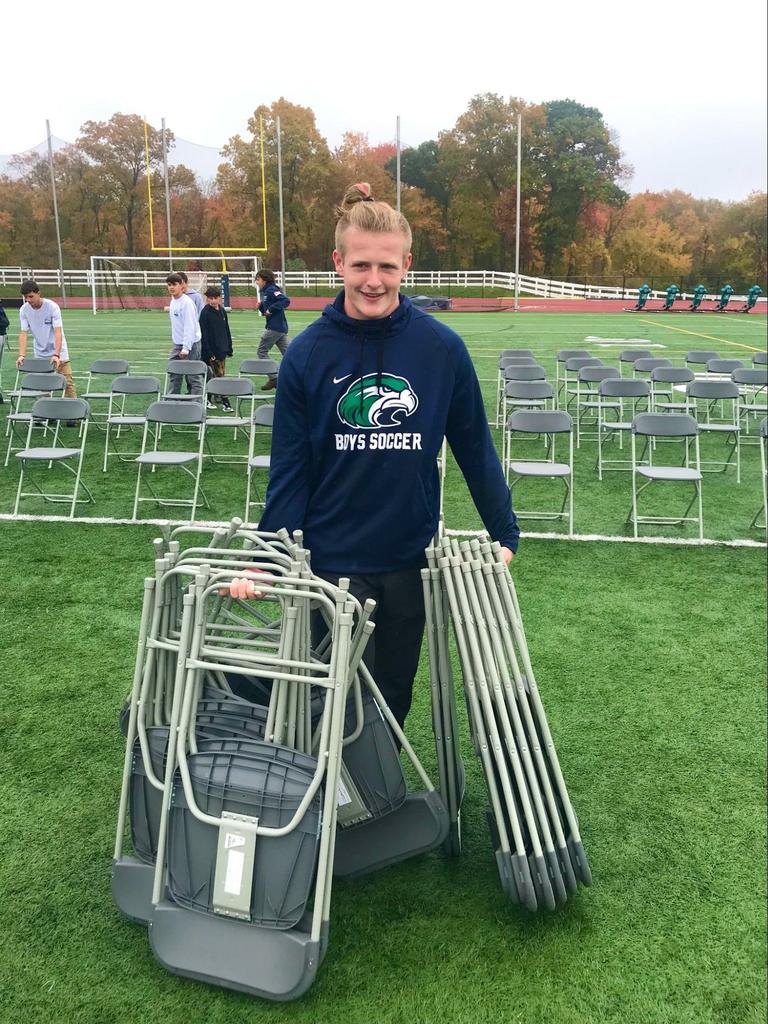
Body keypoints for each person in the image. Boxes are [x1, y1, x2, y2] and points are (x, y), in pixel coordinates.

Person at [229, 182, 519, 730]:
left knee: (391, 702)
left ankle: (370, 803)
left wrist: (504, 532)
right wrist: (265, 559)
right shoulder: (308, 353)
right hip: (329, 565)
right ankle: (327, 805)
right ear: (338, 262)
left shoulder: (440, 349)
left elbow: (474, 446)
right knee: (327, 701)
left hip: (409, 559)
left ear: (407, 264)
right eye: (360, 264)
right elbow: (290, 470)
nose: (373, 280)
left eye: (387, 266)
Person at [16, 280, 77, 398]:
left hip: (59, 352)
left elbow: (58, 332)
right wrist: (21, 355)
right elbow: (24, 333)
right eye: (25, 297)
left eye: (31, 296)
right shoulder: (24, 310)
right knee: (42, 386)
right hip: (40, 352)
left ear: (38, 293)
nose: (28, 300)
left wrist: (57, 354)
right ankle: (45, 412)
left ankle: (74, 413)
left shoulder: (52, 307)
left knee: (67, 384)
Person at [165, 273, 203, 397]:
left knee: (193, 375)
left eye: (174, 284)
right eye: (169, 285)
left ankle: (196, 403)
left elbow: (190, 326)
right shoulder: (173, 301)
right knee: (173, 372)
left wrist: (186, 348)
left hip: (191, 344)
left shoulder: (187, 303)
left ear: (181, 286)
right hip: (177, 344)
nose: (171, 287)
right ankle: (172, 398)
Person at [255, 268, 290, 391]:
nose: (256, 282)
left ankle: (274, 378)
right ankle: (293, 378)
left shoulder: (271, 290)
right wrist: (261, 308)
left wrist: (272, 309)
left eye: (258, 279)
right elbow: (266, 312)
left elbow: (285, 300)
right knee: (289, 354)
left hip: (274, 328)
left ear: (264, 280)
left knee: (261, 351)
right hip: (280, 328)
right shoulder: (266, 292)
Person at [200, 285, 234, 410]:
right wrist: (209, 352)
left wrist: (229, 347)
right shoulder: (205, 313)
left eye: (215, 298)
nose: (213, 301)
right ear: (207, 299)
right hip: (212, 351)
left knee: (217, 376)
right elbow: (204, 334)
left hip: (222, 349)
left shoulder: (222, 310)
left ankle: (208, 399)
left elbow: (226, 329)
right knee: (219, 376)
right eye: (210, 298)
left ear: (220, 298)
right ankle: (226, 403)